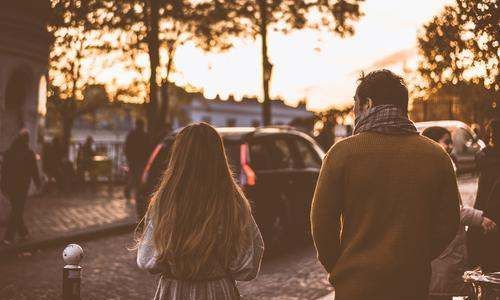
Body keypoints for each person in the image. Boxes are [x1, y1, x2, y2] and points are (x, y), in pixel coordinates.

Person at [311, 69, 460, 300]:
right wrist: (417, 257)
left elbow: (322, 223)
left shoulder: (341, 154)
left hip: (356, 286)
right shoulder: (437, 156)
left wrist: (341, 266)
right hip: (412, 284)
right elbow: (449, 222)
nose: (353, 111)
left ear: (367, 104)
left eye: (355, 104)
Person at [136, 123, 264, 300]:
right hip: (217, 291)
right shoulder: (232, 202)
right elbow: (248, 262)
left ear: (178, 156)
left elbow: (146, 260)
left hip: (174, 291)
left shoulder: (164, 201)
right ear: (219, 156)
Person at [422, 126, 496, 300]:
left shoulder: (441, 166)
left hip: (447, 249)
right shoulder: (434, 170)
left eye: (451, 143)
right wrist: (481, 218)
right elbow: (451, 209)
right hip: (444, 250)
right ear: (433, 142)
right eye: (446, 142)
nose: (450, 147)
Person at [468, 119, 500, 270]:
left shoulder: (486, 157)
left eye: (494, 133)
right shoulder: (486, 157)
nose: (491, 136)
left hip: (489, 214)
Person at [1, 129, 41, 245]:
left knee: (16, 209)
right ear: (27, 139)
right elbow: (34, 171)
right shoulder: (29, 153)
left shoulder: (9, 152)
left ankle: (24, 233)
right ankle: (8, 237)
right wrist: (38, 183)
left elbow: (4, 170)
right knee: (17, 210)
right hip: (22, 186)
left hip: (9, 186)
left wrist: (3, 185)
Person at [124, 119, 149, 204]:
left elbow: (127, 147)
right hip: (141, 159)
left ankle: (129, 190)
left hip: (133, 159)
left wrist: (128, 157)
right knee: (138, 176)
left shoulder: (131, 134)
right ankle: (137, 193)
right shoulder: (145, 135)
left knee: (132, 175)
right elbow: (147, 148)